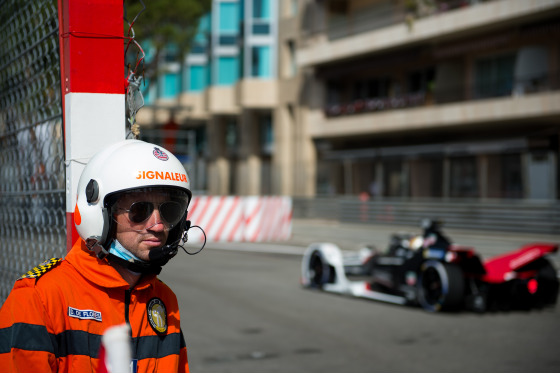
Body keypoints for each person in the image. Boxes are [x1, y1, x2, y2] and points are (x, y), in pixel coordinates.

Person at [0, 139, 194, 372]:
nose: (157, 226)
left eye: (169, 210)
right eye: (139, 211)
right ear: (100, 214)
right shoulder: (39, 298)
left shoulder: (164, 299)